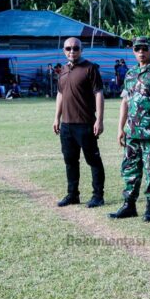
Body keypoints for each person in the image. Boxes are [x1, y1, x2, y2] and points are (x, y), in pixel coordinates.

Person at [110, 36, 150, 222]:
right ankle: (129, 205)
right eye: (137, 49)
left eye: (144, 48)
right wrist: (120, 128)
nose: (141, 52)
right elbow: (124, 102)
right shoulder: (129, 74)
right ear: (133, 51)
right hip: (132, 133)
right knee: (129, 169)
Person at [53, 37, 106, 209]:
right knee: (70, 161)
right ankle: (72, 194)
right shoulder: (63, 70)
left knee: (93, 161)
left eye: (75, 48)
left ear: (81, 50)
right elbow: (60, 94)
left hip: (85, 124)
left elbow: (98, 93)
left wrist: (99, 119)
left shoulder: (90, 68)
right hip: (67, 125)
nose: (72, 51)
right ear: (64, 50)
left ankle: (98, 196)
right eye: (68, 48)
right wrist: (56, 118)